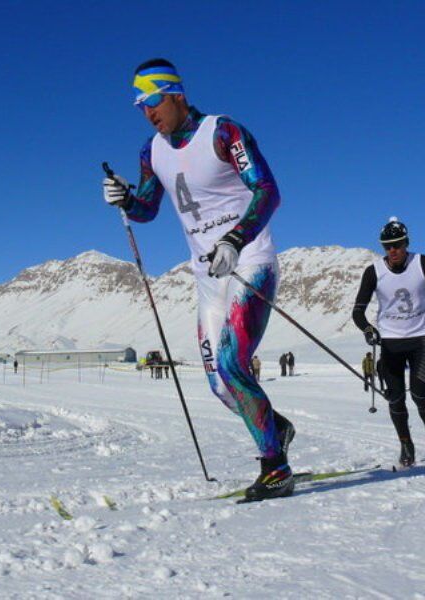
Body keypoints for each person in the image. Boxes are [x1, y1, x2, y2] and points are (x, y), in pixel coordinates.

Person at [103, 58, 294, 501]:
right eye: (139, 105)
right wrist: (124, 198)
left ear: (176, 93)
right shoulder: (151, 151)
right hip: (207, 276)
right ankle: (276, 429)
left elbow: (268, 190)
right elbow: (147, 209)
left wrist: (235, 239)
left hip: (249, 260)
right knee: (218, 384)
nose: (147, 111)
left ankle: (276, 468)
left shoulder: (223, 132)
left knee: (233, 364)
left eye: (152, 101)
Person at [352, 217, 425, 468]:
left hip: (420, 339)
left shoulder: (424, 263)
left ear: (406, 242)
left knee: (420, 393)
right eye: (387, 246)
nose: (393, 250)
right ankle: (406, 445)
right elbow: (358, 311)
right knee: (396, 398)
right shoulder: (374, 271)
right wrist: (367, 328)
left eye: (397, 245)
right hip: (390, 343)